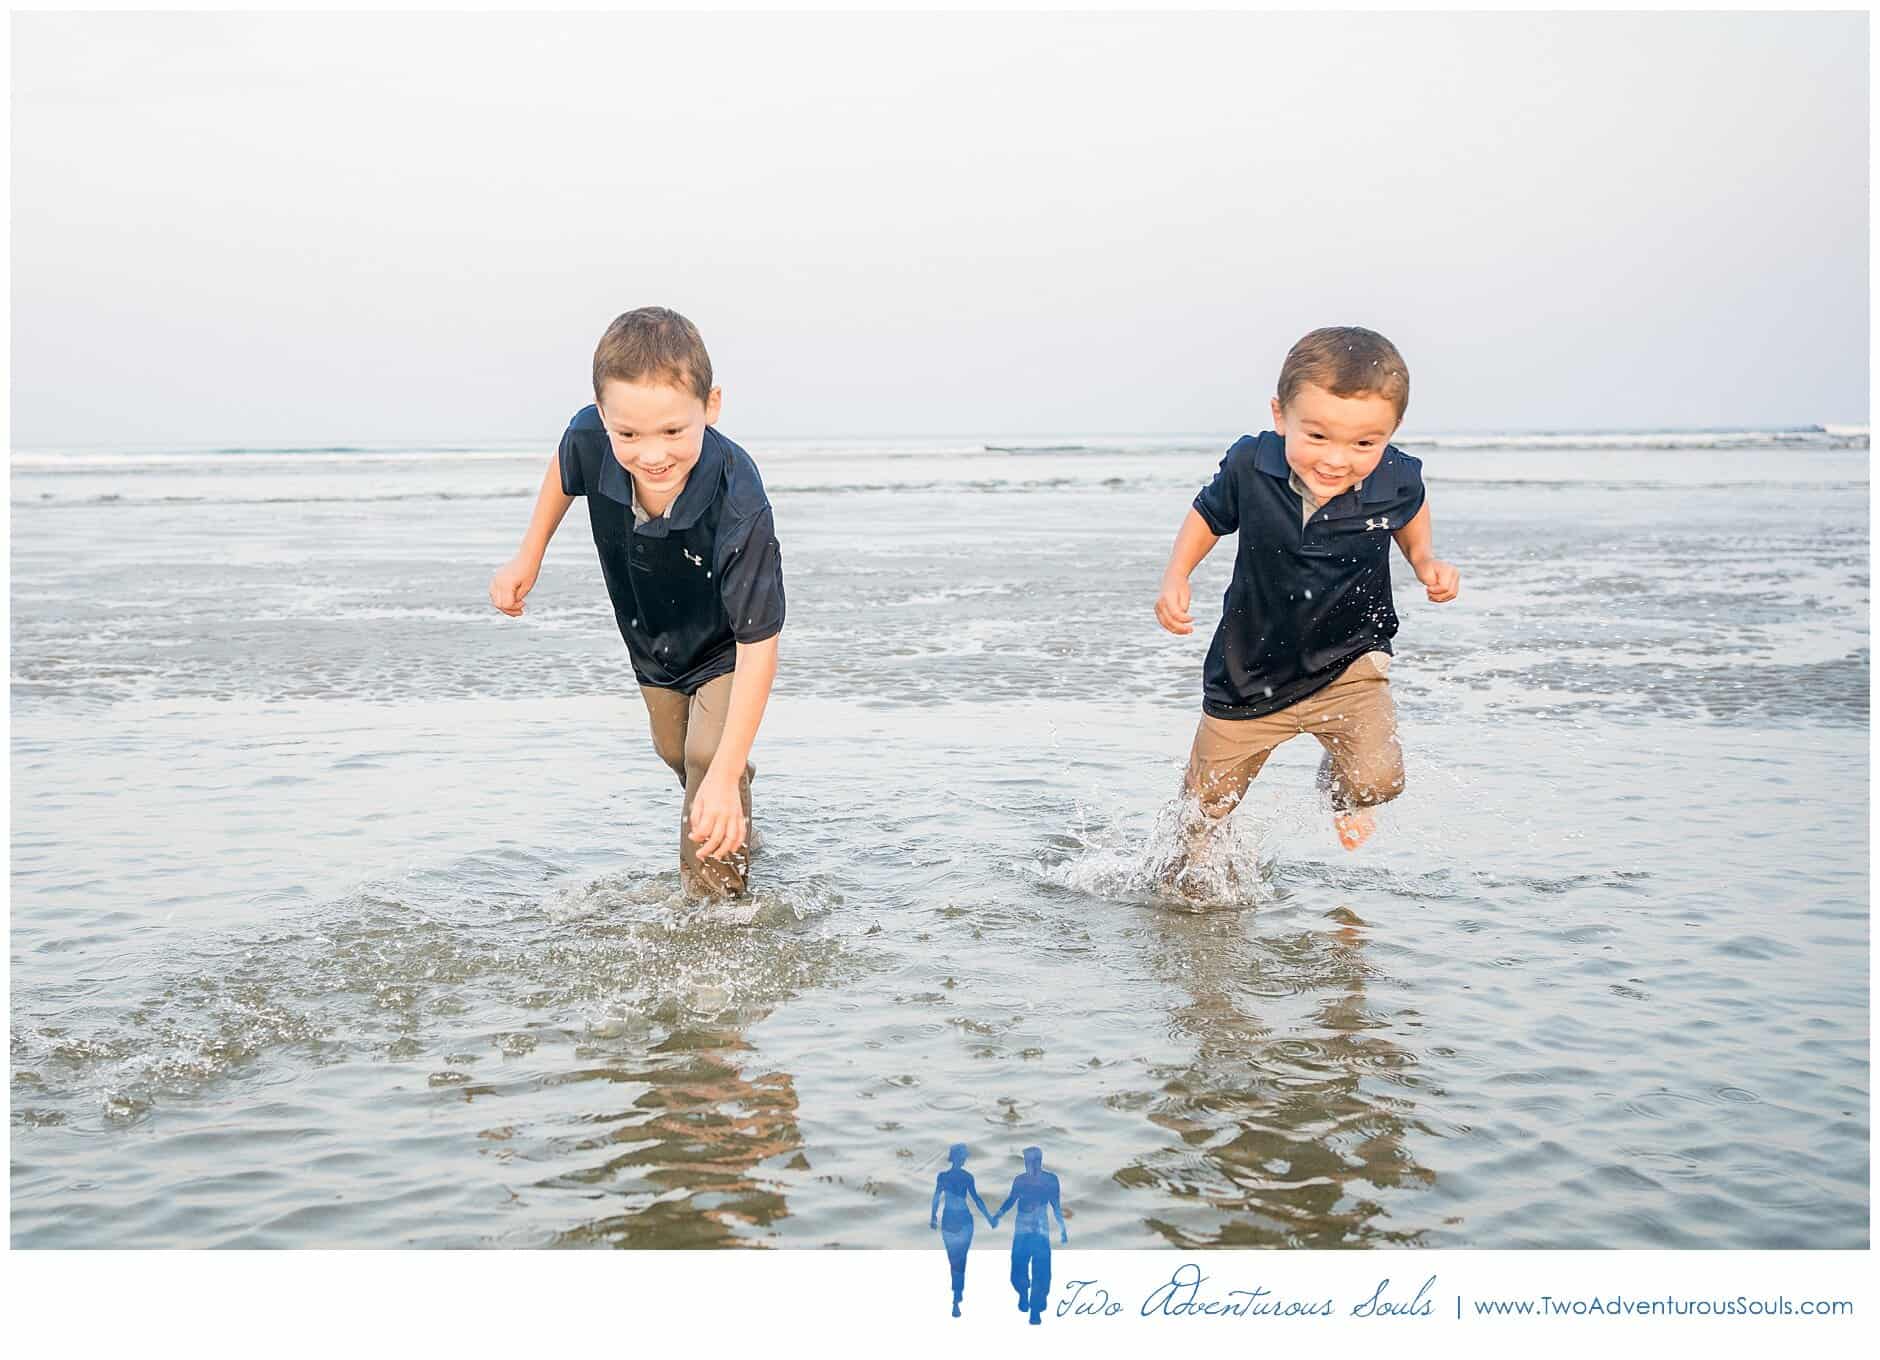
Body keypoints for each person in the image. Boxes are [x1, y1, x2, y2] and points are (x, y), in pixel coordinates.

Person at [489, 307, 785, 897]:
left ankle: (717, 915)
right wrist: (530, 554)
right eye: (628, 434)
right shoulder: (588, 436)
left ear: (712, 405)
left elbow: (760, 647)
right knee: (676, 751)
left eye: (674, 431)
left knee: (709, 757)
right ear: (604, 418)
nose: (652, 454)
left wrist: (723, 772)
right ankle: (730, 808)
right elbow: (564, 466)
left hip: (727, 643)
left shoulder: (739, 502)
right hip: (651, 640)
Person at [1154, 326, 1459, 873]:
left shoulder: (1398, 475)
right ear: (1280, 416)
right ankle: (1186, 895)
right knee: (1202, 816)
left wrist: (1425, 561)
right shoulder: (1252, 464)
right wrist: (1178, 574)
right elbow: (1208, 515)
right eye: (1317, 437)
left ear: (1392, 431)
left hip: (1350, 662)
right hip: (1247, 672)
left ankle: (1339, 790)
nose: (1338, 459)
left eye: (1364, 443)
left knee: (1377, 782)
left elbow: (1409, 513)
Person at [991, 1146, 1067, 1325]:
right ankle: (1026, 1296)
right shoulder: (1024, 1180)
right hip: (1030, 1229)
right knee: (1023, 1267)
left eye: (1029, 1162)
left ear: (1038, 1161)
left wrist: (1062, 1228)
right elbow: (1011, 1199)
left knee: (1036, 1269)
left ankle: (1034, 1307)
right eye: (1026, 1162)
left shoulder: (1048, 1180)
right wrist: (998, 1215)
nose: (1027, 1165)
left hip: (1035, 1230)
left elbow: (1056, 1206)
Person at [930, 1143, 995, 1317]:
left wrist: (933, 1216)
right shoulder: (966, 1177)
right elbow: (977, 1200)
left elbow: (937, 1198)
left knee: (954, 1259)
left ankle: (957, 1294)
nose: (965, 1158)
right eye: (964, 1155)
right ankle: (957, 1293)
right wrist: (989, 1218)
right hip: (962, 1220)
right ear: (959, 1157)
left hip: (952, 1219)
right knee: (959, 1259)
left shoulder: (944, 1176)